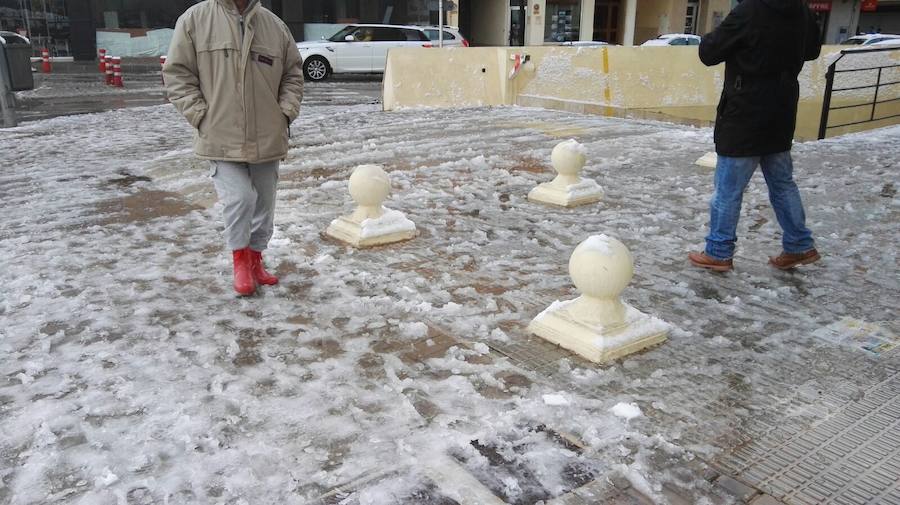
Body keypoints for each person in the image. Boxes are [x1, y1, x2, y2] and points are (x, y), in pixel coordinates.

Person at [164, 0, 304, 295]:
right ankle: (239, 260)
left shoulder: (275, 26)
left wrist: (284, 113)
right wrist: (200, 115)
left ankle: (255, 260)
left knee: (264, 204)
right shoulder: (195, 20)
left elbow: (293, 74)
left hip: (267, 135)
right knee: (239, 198)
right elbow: (177, 74)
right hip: (220, 136)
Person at [688, 0, 822, 273]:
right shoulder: (800, 10)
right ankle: (799, 244)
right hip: (781, 110)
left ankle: (718, 251)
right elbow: (812, 50)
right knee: (783, 184)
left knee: (728, 189)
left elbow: (708, 52)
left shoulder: (748, 11)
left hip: (745, 112)